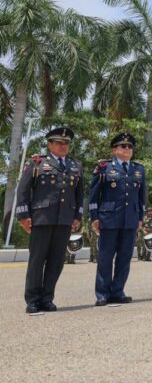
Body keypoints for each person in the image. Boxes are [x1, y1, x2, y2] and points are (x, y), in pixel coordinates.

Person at [16, 127, 83, 314]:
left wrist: (77, 216)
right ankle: (33, 300)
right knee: (37, 260)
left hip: (64, 220)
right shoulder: (37, 163)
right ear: (50, 144)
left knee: (56, 261)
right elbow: (22, 191)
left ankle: (47, 298)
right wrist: (23, 216)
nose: (63, 146)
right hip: (41, 219)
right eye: (59, 143)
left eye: (66, 143)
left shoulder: (75, 166)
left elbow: (79, 194)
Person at [89, 132, 146, 306]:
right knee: (106, 257)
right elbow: (93, 195)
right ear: (115, 150)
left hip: (130, 219)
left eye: (130, 147)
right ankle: (102, 294)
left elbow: (141, 197)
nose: (127, 149)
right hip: (109, 218)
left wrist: (140, 217)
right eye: (123, 146)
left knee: (125, 257)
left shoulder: (139, 169)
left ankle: (118, 291)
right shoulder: (104, 167)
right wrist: (94, 217)